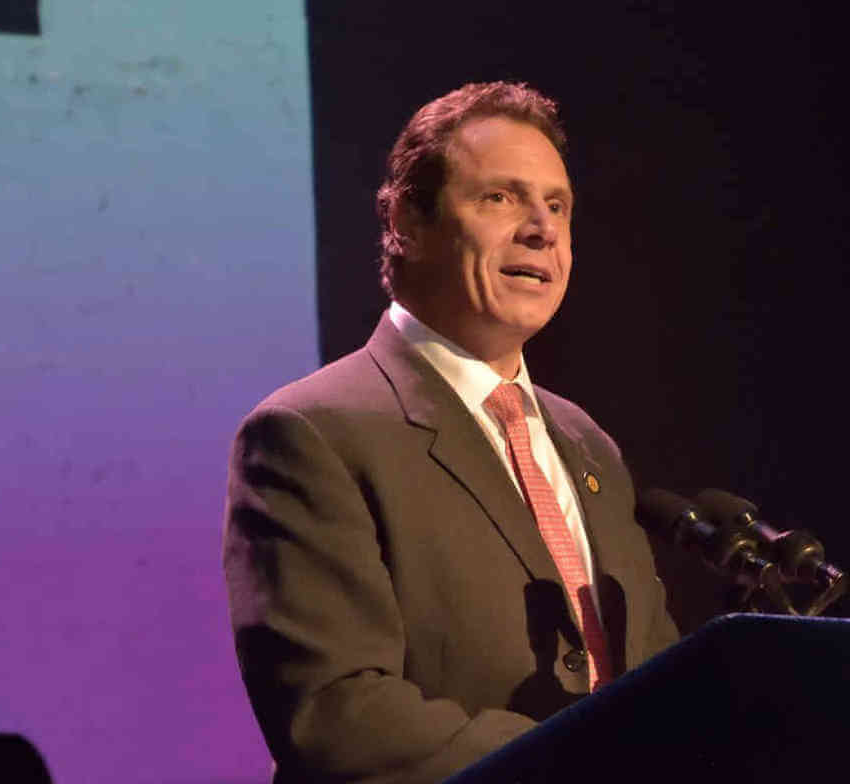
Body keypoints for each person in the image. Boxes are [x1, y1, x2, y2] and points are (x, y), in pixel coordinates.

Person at [223, 81, 678, 784]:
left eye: (557, 205)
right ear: (408, 220)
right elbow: (337, 715)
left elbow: (658, 682)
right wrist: (583, 758)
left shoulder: (586, 443)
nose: (542, 229)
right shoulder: (311, 435)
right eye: (500, 197)